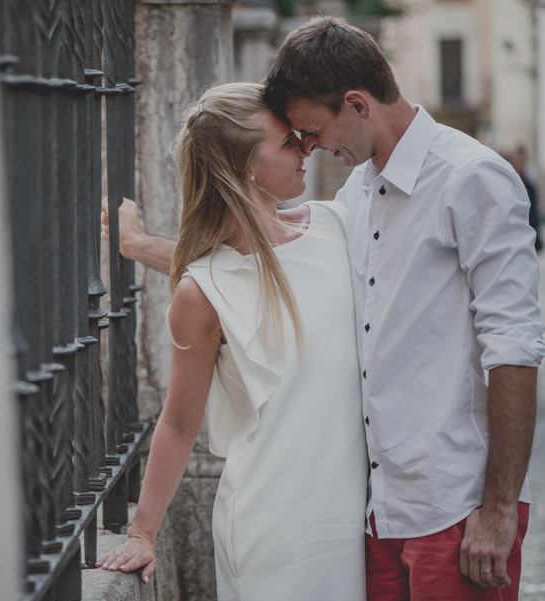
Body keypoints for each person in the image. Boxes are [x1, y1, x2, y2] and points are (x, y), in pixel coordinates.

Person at [105, 16, 545, 601]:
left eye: (308, 131)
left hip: (448, 510)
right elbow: (241, 264)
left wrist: (498, 509)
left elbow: (515, 345)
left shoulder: (462, 181)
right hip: (365, 521)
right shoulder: (356, 197)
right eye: (293, 140)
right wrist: (138, 247)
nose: (310, 147)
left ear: (358, 104)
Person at [96, 82, 368, 600]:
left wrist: (135, 244)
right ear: (245, 165)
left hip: (356, 520)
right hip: (273, 530)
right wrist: (142, 532)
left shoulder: (340, 226)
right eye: (288, 142)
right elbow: (178, 421)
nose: (306, 146)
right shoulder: (202, 292)